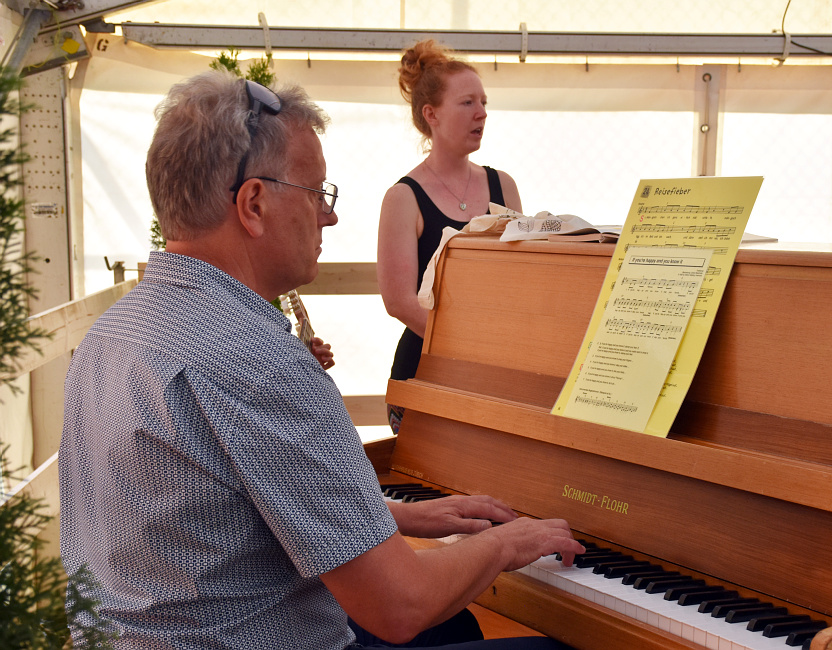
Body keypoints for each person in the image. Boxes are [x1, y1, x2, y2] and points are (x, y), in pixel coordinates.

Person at [58, 70, 582, 650]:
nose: (328, 218)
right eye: (317, 194)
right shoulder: (252, 356)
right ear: (253, 204)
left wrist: (396, 516)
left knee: (458, 624)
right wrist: (511, 541)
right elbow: (401, 605)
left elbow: (215, 514)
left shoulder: (111, 334)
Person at [378, 40, 522, 433]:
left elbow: (522, 278)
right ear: (432, 114)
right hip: (423, 371)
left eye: (484, 102)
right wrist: (471, 348)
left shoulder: (503, 185)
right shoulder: (403, 197)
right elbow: (399, 301)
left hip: (493, 372)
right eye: (467, 103)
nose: (482, 113)